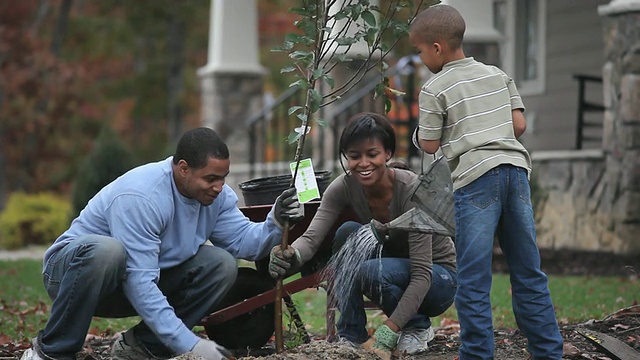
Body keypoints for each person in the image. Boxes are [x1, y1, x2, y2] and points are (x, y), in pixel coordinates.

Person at [20, 127, 303, 360]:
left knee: (221, 264)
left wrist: (275, 221)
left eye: (223, 178)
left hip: (131, 280)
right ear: (183, 169)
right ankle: (51, 352)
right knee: (108, 251)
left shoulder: (216, 198)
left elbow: (245, 244)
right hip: (72, 274)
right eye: (211, 178)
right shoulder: (143, 197)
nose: (219, 187)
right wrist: (189, 345)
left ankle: (141, 347)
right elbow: (139, 281)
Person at [409, 5, 564, 360]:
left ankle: (478, 355)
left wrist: (424, 134)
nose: (420, 59)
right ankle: (548, 352)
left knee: (474, 277)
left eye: (419, 51)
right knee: (528, 271)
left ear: (436, 48)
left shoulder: (435, 87)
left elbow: (430, 144)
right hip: (515, 172)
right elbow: (519, 126)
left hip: (476, 178)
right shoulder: (497, 74)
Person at [269, 112, 457, 358]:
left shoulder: (411, 191)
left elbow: (422, 274)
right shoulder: (343, 187)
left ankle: (418, 327)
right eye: (354, 156)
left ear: (387, 154)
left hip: (438, 278)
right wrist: (289, 254)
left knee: (370, 270)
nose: (363, 164)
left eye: (372, 154)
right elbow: (311, 238)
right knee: (348, 233)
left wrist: (388, 332)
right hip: (390, 267)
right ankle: (351, 333)